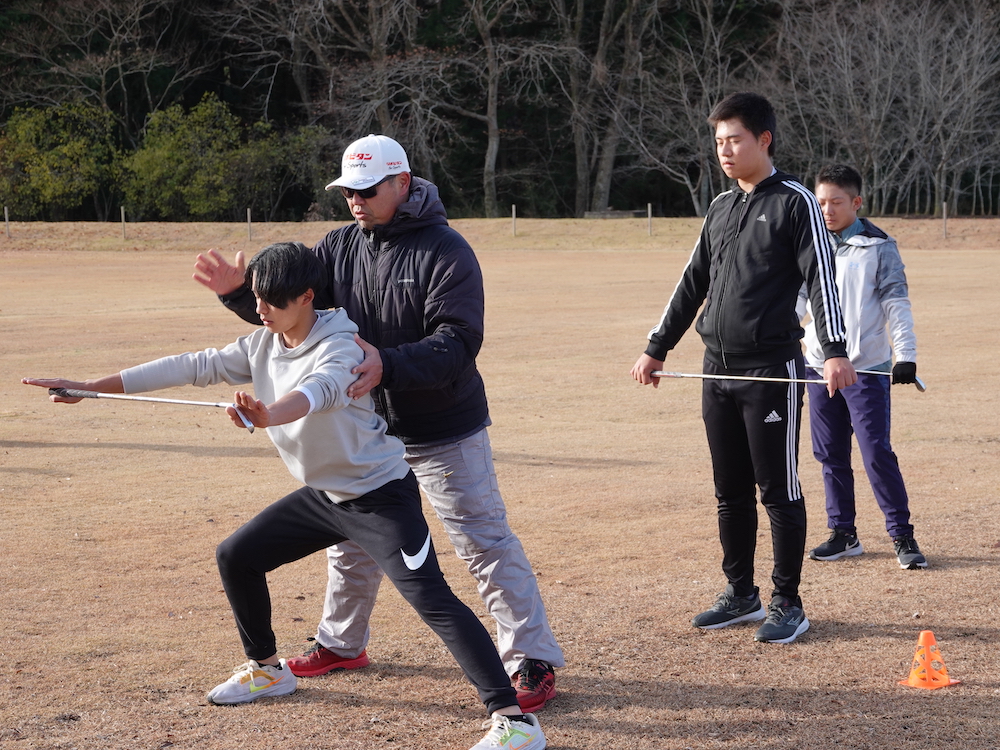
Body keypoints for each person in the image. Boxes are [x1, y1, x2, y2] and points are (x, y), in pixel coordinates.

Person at [23, 242, 546, 750]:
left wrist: (268, 414)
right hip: (325, 498)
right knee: (237, 556)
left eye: (272, 300)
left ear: (306, 297)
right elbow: (191, 365)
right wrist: (91, 387)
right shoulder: (263, 344)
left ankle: (514, 721)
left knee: (432, 600)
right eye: (256, 297)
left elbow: (316, 393)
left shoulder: (344, 348)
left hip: (381, 498)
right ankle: (268, 670)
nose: (260, 309)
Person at [193, 134, 563, 712]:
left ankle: (530, 660)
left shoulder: (446, 250)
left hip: (442, 424)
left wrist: (387, 364)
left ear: (403, 183)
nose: (355, 201)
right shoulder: (338, 246)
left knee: (483, 542)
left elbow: (459, 341)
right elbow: (293, 308)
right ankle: (341, 644)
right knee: (348, 542)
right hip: (365, 430)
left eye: (367, 190)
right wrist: (241, 296)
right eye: (348, 191)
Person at [630, 92, 857, 644]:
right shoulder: (720, 207)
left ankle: (788, 602)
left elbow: (821, 281)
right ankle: (740, 594)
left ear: (764, 140)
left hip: (770, 371)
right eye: (718, 142)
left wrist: (833, 350)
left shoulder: (796, 203)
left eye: (734, 140)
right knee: (729, 490)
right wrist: (657, 346)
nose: (725, 151)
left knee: (778, 490)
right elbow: (692, 283)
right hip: (716, 371)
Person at [800, 164, 927, 570]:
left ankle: (902, 535)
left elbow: (896, 303)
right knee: (829, 453)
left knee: (875, 452)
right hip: (818, 367)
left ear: (856, 202)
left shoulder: (879, 246)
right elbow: (797, 301)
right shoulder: (808, 243)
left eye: (836, 202)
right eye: (821, 202)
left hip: (866, 368)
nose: (827, 210)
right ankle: (843, 534)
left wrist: (906, 356)